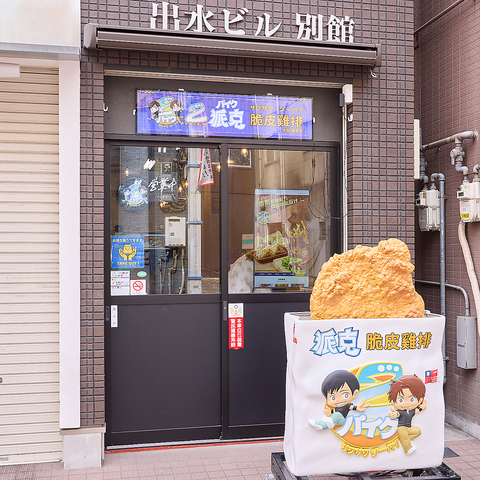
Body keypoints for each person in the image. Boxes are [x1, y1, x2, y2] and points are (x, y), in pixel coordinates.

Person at [388, 374, 427, 455]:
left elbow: (417, 410)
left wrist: (422, 407)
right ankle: (408, 448)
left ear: (420, 400)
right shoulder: (401, 412)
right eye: (401, 400)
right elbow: (397, 414)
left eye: (411, 399)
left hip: (409, 427)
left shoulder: (411, 411)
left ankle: (404, 441)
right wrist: (394, 414)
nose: (406, 403)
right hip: (402, 428)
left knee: (417, 431)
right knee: (404, 438)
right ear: (392, 401)